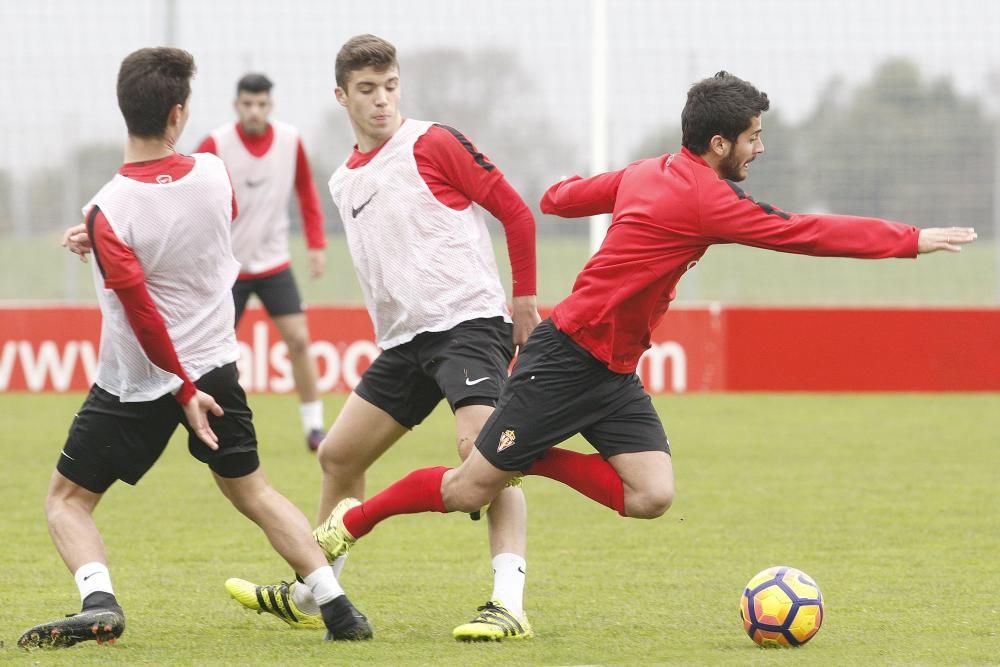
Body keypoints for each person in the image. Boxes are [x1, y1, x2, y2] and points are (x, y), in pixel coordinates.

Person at [304, 71, 978, 630]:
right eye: (753, 138)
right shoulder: (708, 200)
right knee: (464, 488)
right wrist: (906, 239)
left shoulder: (649, 172)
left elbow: (558, 198)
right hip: (563, 357)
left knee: (652, 493)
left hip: (612, 370)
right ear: (719, 144)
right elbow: (802, 231)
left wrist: (578, 188)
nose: (760, 148)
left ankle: (527, 452)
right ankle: (349, 522)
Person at [17, 47, 371, 651]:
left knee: (66, 501)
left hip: (141, 383)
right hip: (217, 368)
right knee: (252, 490)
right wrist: (102, 244)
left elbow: (142, 310)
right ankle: (337, 605)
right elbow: (195, 230)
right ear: (177, 115)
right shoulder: (212, 173)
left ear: (123, 110)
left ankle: (99, 600)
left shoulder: (108, 209)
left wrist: (179, 387)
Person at [224, 34, 541, 641]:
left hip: (468, 325)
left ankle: (508, 603)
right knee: (338, 457)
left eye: (390, 86)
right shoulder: (344, 180)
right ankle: (316, 592)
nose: (381, 101)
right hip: (405, 345)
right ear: (341, 95)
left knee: (485, 454)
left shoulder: (434, 142)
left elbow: (516, 213)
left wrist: (523, 301)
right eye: (367, 90)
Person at [196, 73, 328, 452]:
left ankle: (314, 427)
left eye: (261, 104)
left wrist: (316, 244)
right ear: (237, 105)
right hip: (227, 268)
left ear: (270, 106)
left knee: (300, 341)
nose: (255, 111)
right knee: (217, 354)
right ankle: (216, 423)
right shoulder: (215, 143)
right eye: (247, 104)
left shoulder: (290, 141)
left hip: (274, 263)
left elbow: (306, 191)